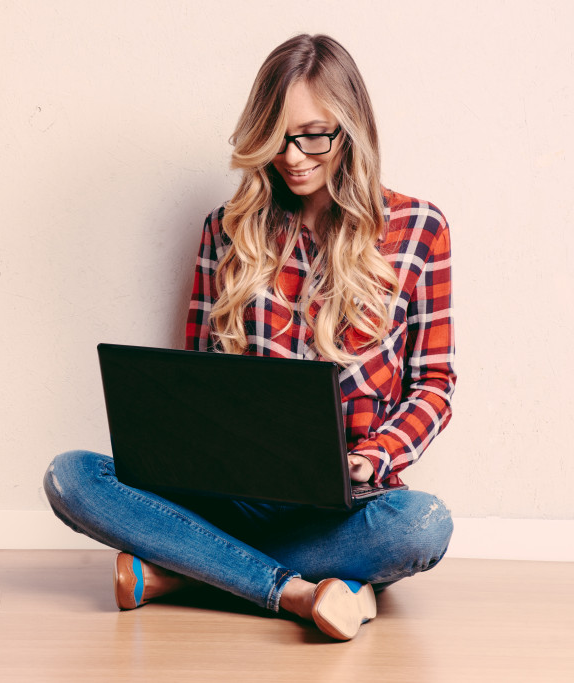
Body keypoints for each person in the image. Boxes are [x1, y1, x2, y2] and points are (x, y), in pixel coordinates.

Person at [42, 34, 456, 642]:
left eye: (314, 134)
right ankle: (299, 592)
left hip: (346, 506)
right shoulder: (225, 232)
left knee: (422, 524)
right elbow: (195, 381)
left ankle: (185, 573)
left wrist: (374, 456)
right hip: (231, 498)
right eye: (276, 136)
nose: (293, 157)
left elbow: (436, 384)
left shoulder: (421, 229)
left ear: (352, 129)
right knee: (69, 476)